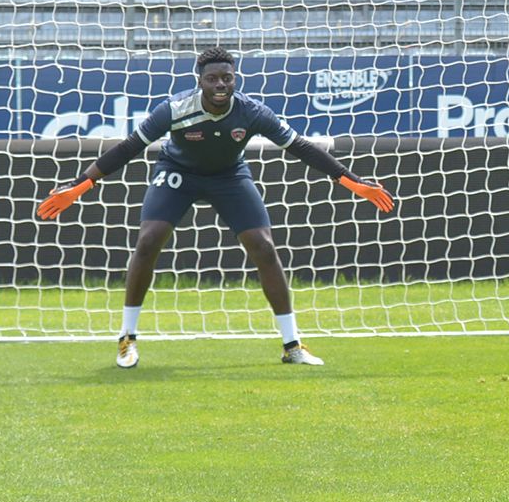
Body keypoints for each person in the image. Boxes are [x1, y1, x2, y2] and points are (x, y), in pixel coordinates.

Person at [36, 45, 395, 368]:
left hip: (229, 177)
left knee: (264, 248)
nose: (220, 84)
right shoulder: (175, 110)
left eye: (227, 77)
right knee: (149, 240)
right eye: (212, 79)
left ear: (235, 78)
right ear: (200, 82)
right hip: (178, 173)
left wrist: (351, 181)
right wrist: (80, 186)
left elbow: (299, 147)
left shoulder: (252, 112)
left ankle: (292, 345)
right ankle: (127, 338)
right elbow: (129, 148)